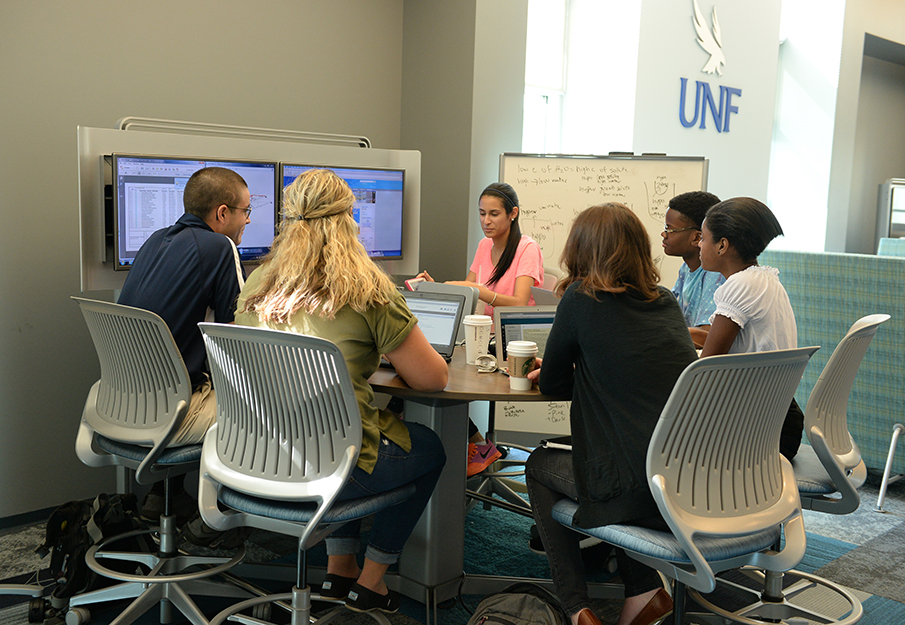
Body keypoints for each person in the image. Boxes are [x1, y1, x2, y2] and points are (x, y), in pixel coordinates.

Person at [234, 169, 448, 614]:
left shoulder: (257, 284)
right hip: (332, 466)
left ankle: (340, 569)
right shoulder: (369, 289)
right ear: (349, 219)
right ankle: (371, 582)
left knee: (343, 427)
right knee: (429, 448)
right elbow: (433, 380)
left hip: (257, 455)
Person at [524, 203, 696, 625]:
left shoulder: (581, 300)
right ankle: (643, 590)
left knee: (539, 463)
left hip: (636, 488)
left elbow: (554, 386)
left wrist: (578, 366)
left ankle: (577, 606)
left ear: (581, 250)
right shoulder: (667, 301)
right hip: (687, 480)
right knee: (612, 453)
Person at [118, 166, 251, 534]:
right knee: (266, 407)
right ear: (223, 214)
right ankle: (217, 521)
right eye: (245, 212)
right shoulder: (220, 247)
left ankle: (166, 496)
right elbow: (237, 335)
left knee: (194, 370)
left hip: (124, 404)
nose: (247, 221)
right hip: (171, 412)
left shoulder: (154, 240)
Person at [417, 182, 544, 476]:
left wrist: (477, 289)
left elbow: (519, 304)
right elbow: (470, 296)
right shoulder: (484, 245)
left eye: (494, 214)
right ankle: (480, 445)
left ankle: (478, 445)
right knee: (434, 376)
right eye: (482, 214)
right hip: (479, 336)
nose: (486, 221)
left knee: (440, 381)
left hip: (510, 340)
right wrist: (435, 288)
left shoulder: (527, 248)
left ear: (513, 214)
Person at [698, 197, 803, 459]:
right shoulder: (763, 278)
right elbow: (723, 338)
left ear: (722, 245)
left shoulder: (739, 286)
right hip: (778, 420)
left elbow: (706, 367)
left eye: (702, 238)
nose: (698, 245)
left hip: (757, 433)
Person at [661, 190, 724, 348]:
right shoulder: (685, 269)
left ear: (697, 237)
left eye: (670, 229)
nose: (664, 234)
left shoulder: (715, 274)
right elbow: (670, 315)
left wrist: (657, 331)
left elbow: (706, 336)